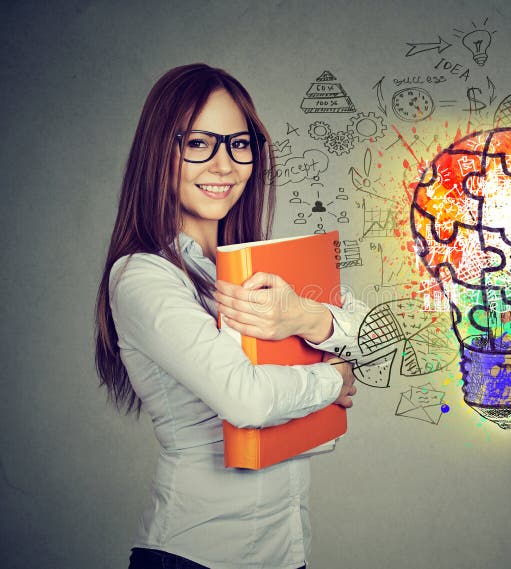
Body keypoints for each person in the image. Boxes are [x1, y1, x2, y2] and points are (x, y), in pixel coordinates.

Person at [94, 63, 362, 569]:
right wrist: (333, 377)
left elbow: (374, 335)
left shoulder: (259, 266)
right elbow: (248, 400)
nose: (225, 165)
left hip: (286, 552)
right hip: (195, 555)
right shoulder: (142, 277)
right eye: (199, 143)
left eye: (239, 144)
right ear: (160, 151)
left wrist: (304, 318)